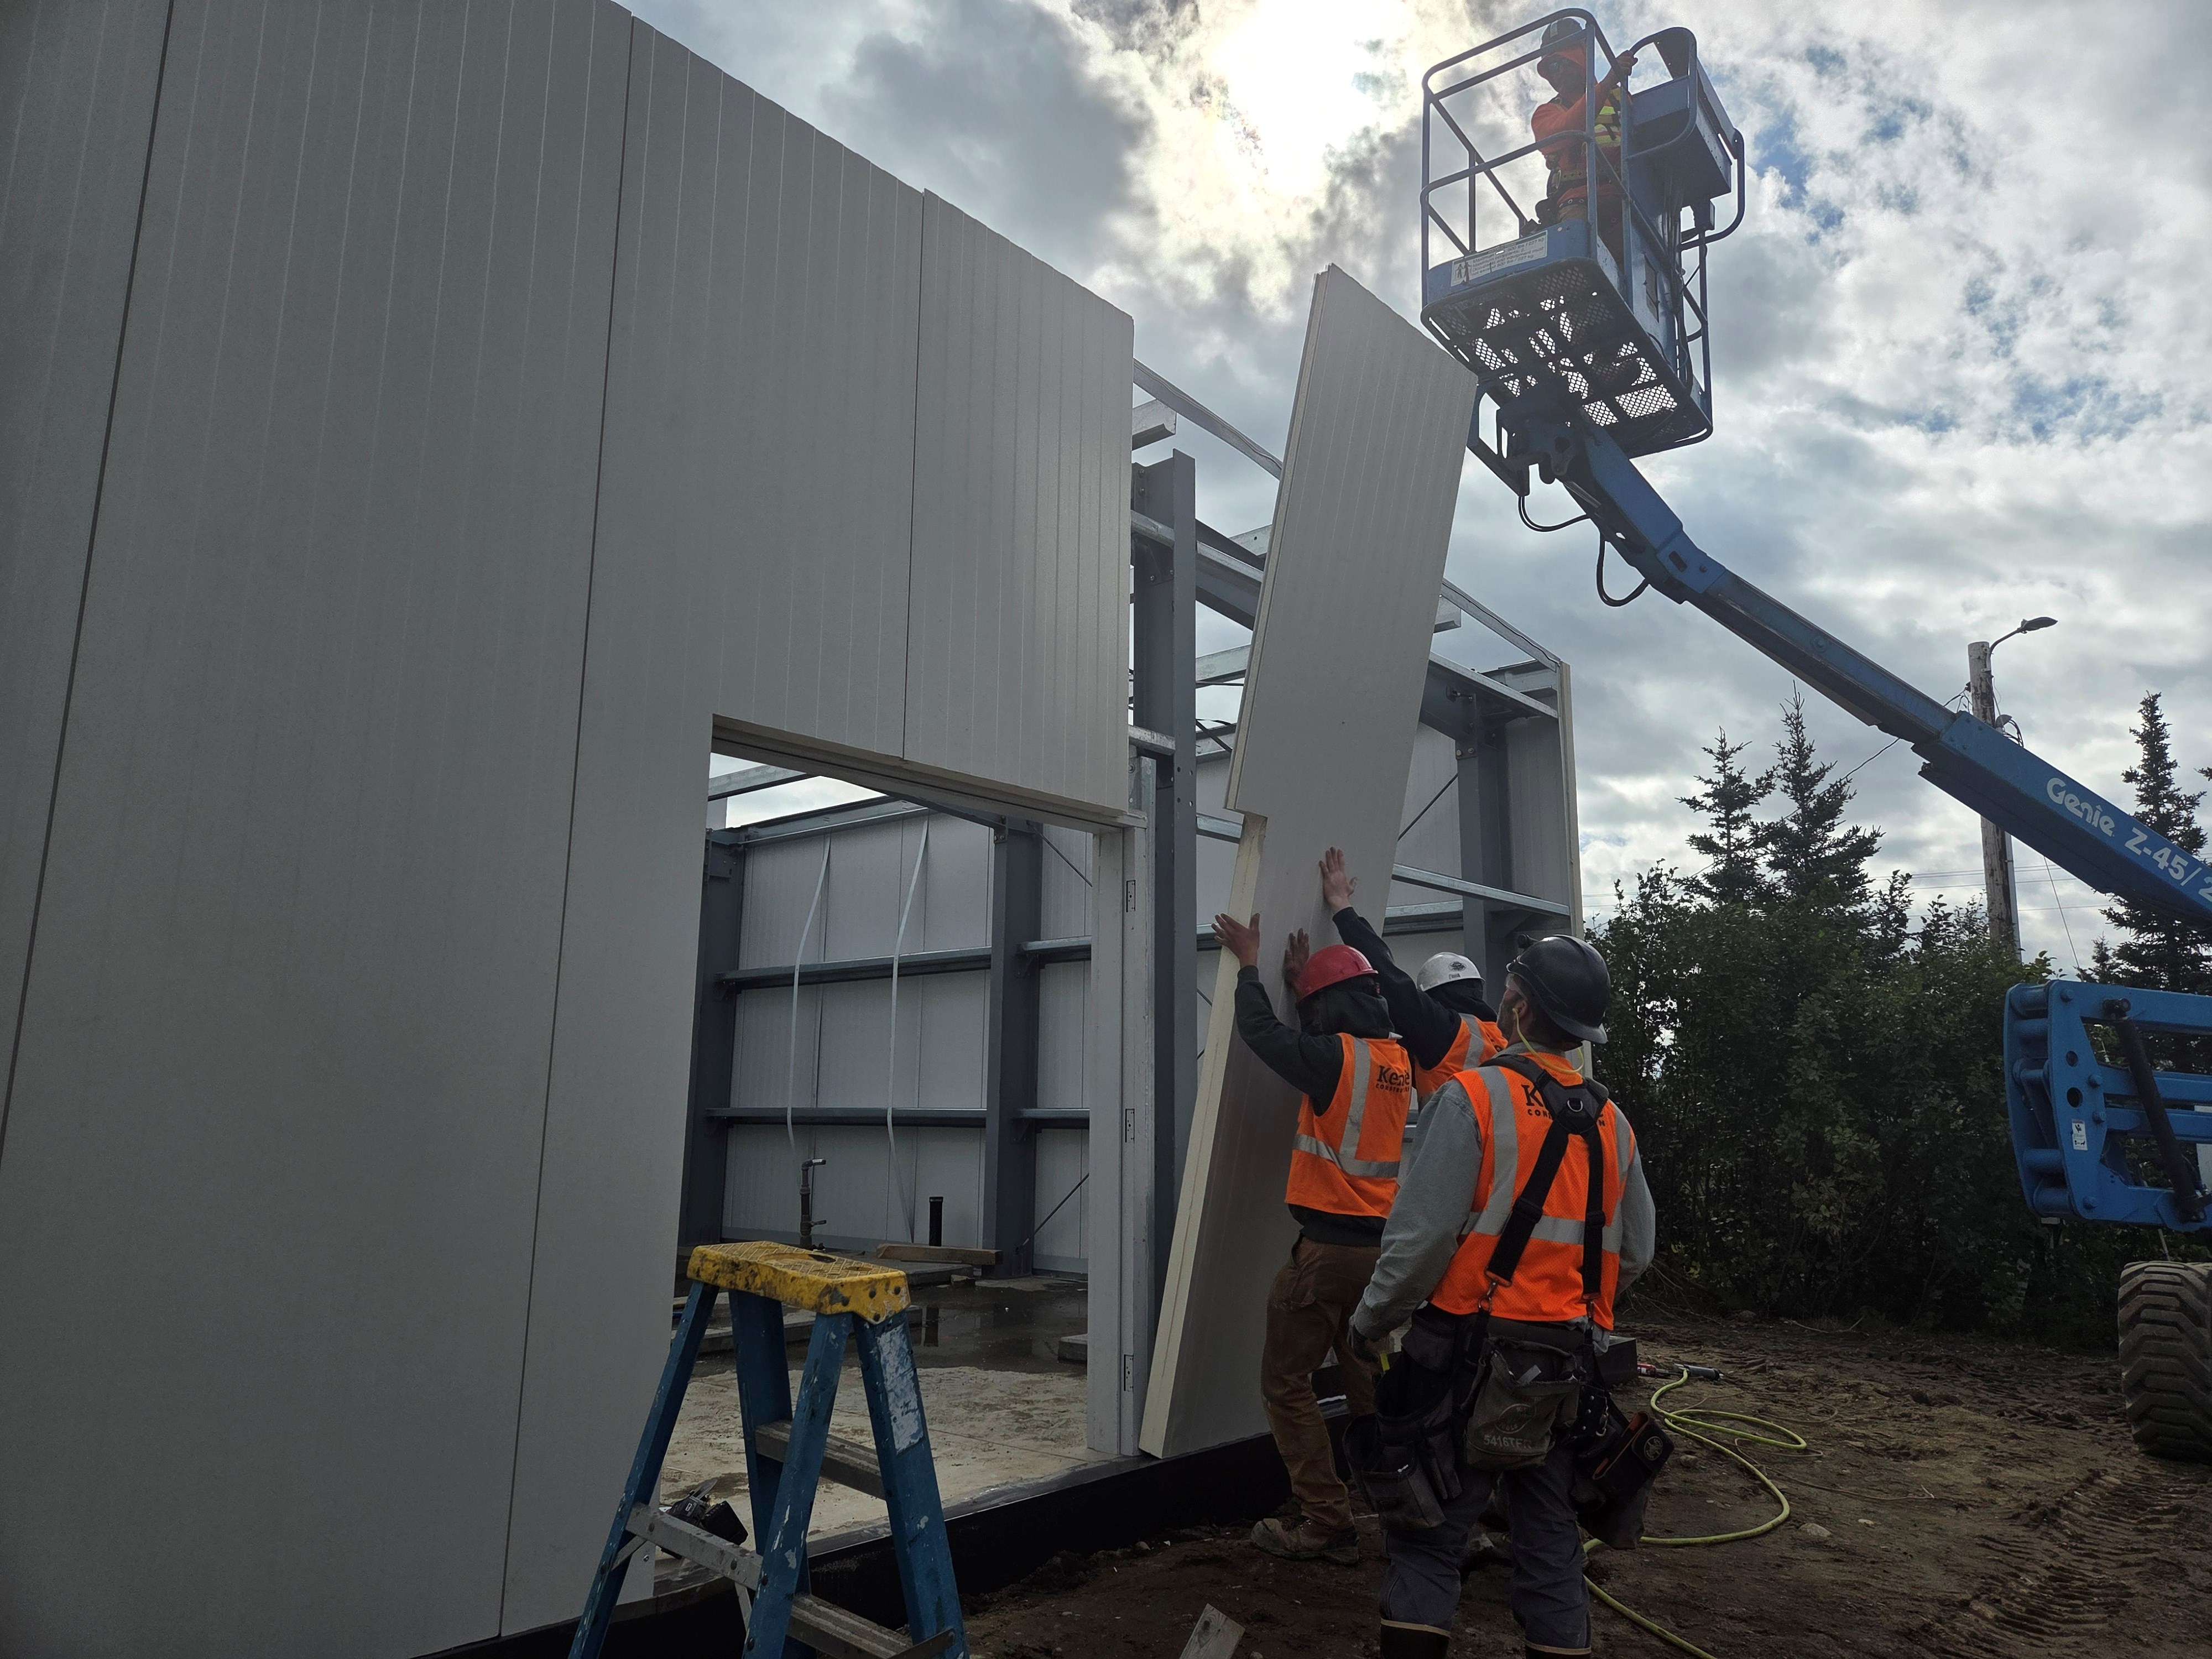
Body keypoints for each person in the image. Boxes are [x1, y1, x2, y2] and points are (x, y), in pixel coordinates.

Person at [1346, 935, 1656, 1659]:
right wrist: (1576, 1306)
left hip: (1461, 1362)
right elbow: (1635, 1253)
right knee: (1550, 1540)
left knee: (1428, 1542)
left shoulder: (1475, 1097)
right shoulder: (1614, 1123)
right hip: (1566, 1369)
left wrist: (1370, 1324)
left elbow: (1420, 1243)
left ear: (1515, 1008)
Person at [1212, 907, 1415, 1567]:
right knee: (1367, 1385)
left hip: (1324, 1257)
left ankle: (1327, 1520)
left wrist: (1250, 962)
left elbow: (1259, 1032)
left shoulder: (1332, 1059)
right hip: (1378, 1259)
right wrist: (1308, 991)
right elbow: (1327, 1059)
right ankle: (1403, 1504)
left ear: (1328, 1010)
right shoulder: (1393, 1062)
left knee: (1286, 1382)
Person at [1312, 847, 1505, 1105]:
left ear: (1433, 997)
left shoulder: (1444, 1032)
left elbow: (1390, 981)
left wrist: (1341, 906)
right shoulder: (1501, 1039)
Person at [1531, 20, 1637, 271]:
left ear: (1580, 57)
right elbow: (1567, 130)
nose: (1555, 75)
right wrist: (1609, 81)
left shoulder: (1623, 100)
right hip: (1578, 204)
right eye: (1550, 69)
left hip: (1627, 205)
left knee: (1640, 273)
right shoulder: (1547, 113)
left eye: (1560, 64)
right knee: (1576, 265)